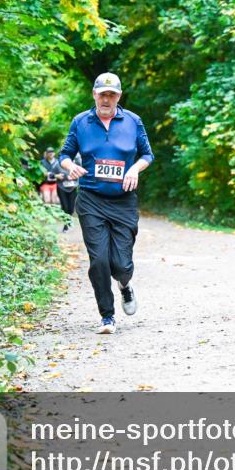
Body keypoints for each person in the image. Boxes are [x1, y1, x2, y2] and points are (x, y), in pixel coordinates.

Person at [60, 72, 154, 335]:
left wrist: (135, 169)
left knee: (121, 265)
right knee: (99, 260)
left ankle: (125, 286)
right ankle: (107, 316)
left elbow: (147, 154)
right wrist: (70, 167)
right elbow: (65, 155)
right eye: (102, 94)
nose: (106, 99)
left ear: (118, 97)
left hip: (123, 201)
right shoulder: (81, 122)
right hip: (90, 199)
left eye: (111, 95)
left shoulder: (133, 121)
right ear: (94, 94)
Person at [57, 153, 81, 232]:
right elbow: (51, 175)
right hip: (62, 188)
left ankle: (68, 221)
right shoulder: (58, 164)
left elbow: (81, 174)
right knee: (65, 207)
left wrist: (74, 177)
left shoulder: (77, 164)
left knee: (71, 208)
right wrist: (57, 176)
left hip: (73, 188)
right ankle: (65, 225)